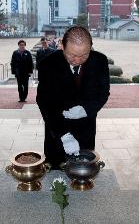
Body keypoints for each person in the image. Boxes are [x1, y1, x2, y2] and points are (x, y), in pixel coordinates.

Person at [36, 26, 110, 169]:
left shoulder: (99, 61)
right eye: (72, 55)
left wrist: (86, 109)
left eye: (83, 55)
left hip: (86, 130)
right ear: (62, 46)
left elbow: (103, 92)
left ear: (90, 47)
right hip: (57, 130)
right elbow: (44, 102)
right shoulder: (48, 65)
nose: (77, 60)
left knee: (83, 171)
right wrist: (64, 135)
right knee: (56, 174)